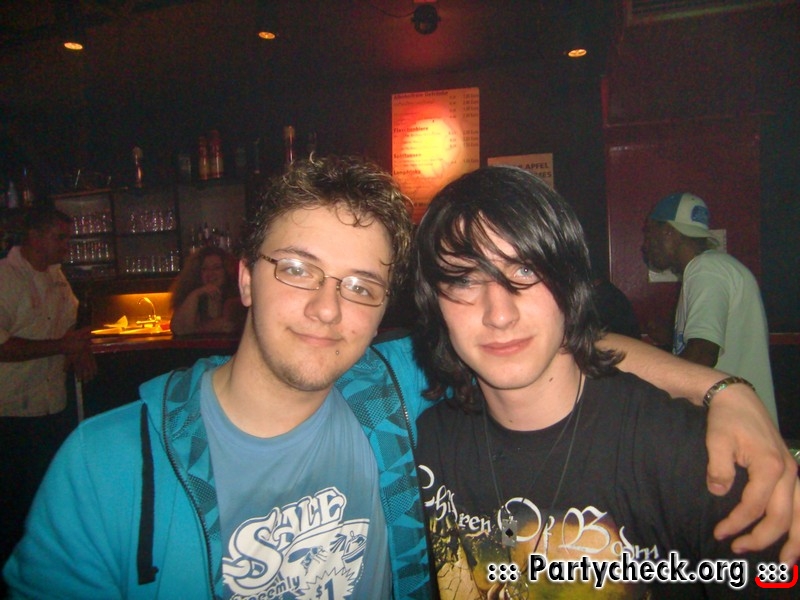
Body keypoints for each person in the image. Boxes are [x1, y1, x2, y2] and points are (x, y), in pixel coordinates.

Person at [4, 158, 800, 599]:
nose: (327, 308)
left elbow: (548, 347)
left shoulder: (390, 392)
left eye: (360, 285)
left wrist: (722, 393)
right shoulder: (107, 466)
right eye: (297, 269)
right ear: (245, 277)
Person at [412, 166, 792, 598]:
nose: (499, 314)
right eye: (463, 279)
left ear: (570, 283)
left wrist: (724, 389)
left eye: (525, 271)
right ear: (434, 301)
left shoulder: (686, 453)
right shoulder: (424, 447)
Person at [0, 205, 97, 588]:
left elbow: (68, 329)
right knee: (11, 510)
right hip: (9, 414)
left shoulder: (57, 277)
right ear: (34, 237)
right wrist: (62, 346)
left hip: (51, 406)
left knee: (46, 505)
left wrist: (78, 352)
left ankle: (42, 583)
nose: (67, 246)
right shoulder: (5, 278)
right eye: (61, 238)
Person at [642, 192, 778, 424]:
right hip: (741, 424)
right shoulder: (714, 268)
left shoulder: (706, 270)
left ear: (668, 232)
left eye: (649, 233)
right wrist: (671, 337)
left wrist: (650, 392)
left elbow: (703, 354)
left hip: (736, 426)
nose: (645, 244)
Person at [169, 245, 246, 335]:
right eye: (205, 269)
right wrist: (195, 294)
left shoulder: (237, 298)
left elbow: (228, 325)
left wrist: (198, 329)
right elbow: (178, 329)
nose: (210, 273)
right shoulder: (193, 296)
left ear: (227, 271)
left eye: (217, 268)